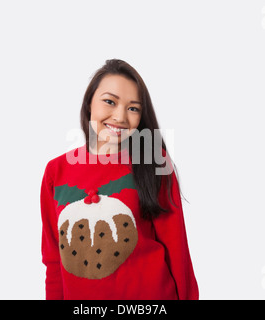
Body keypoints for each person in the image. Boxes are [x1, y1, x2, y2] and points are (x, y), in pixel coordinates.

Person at [40, 59, 199, 299]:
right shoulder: (56, 171)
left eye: (133, 108)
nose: (120, 116)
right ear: (88, 103)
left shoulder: (154, 163)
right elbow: (54, 260)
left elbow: (178, 253)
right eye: (110, 102)